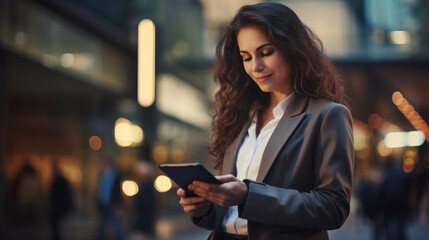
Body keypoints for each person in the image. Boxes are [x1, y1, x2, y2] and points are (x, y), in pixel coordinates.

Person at [177, 2, 354, 240]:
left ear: (292, 48)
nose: (255, 67)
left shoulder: (328, 116)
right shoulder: (239, 117)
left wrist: (248, 196)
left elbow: (333, 208)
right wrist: (206, 207)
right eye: (246, 57)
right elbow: (231, 216)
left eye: (266, 52)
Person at [50, 160, 74, 240]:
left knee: (56, 224)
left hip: (60, 207)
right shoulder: (61, 180)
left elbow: (59, 196)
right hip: (61, 206)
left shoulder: (59, 181)